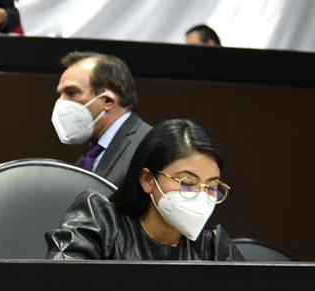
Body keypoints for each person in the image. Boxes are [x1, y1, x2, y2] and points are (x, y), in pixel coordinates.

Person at [47, 118, 237, 260]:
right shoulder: (101, 220)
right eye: (187, 183)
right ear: (147, 179)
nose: (201, 196)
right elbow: (60, 286)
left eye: (212, 187)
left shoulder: (212, 247)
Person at [53, 51, 152, 186]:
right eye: (60, 95)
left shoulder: (148, 147)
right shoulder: (89, 158)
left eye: (71, 92)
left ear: (107, 101)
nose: (61, 103)